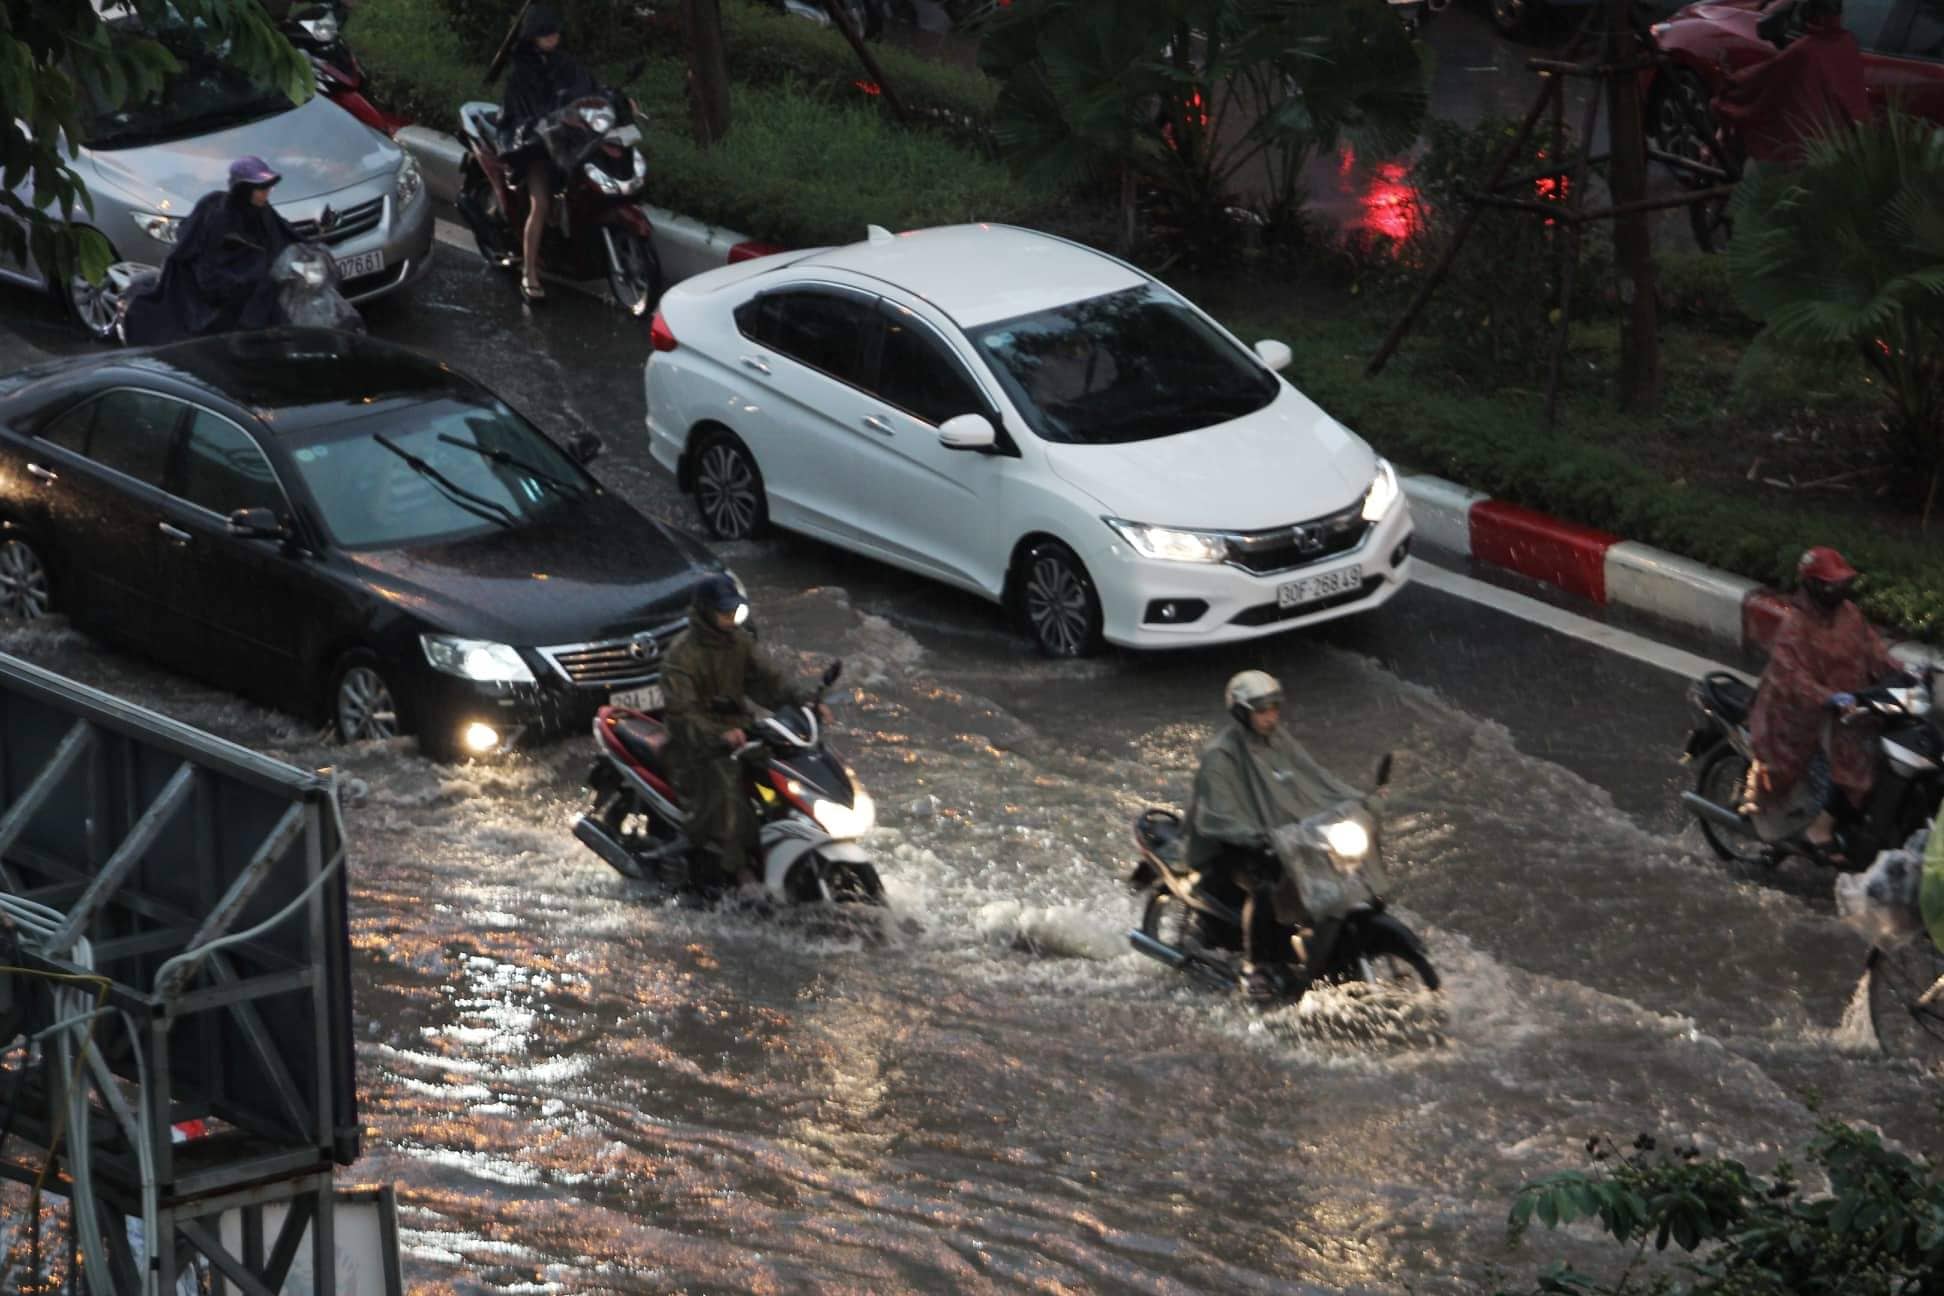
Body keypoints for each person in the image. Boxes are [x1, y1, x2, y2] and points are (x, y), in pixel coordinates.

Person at [1185, 670, 1362, 1002]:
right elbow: (1218, 815)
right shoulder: (1221, 755)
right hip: (1228, 845)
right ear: (1242, 712)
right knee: (1267, 882)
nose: (1271, 718)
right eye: (1262, 711)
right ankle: (1258, 966)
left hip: (1274, 835)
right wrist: (1255, 836)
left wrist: (1356, 801)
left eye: (1274, 709)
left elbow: (1314, 778)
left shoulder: (1278, 741)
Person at [660, 575, 830, 894]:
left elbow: (770, 682)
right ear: (706, 612)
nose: (730, 617)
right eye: (723, 612)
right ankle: (738, 869)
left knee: (782, 774)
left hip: (742, 733)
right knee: (728, 790)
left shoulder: (739, 643)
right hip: (695, 746)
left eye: (734, 611)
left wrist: (806, 702)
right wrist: (719, 735)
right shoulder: (680, 656)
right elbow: (682, 715)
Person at [1747, 547, 1903, 855]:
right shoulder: (1796, 625)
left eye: (1842, 584)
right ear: (1813, 586)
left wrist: (1907, 674)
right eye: (1832, 585)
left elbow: (1875, 653)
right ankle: (1820, 827)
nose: (1839, 590)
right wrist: (1828, 697)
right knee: (1855, 753)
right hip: (1799, 713)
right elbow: (1791, 677)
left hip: (1849, 705)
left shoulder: (1850, 615)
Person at [120, 157, 298, 346]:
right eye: (261, 188)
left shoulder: (261, 210)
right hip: (217, 291)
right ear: (244, 189)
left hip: (252, 282)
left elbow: (282, 231)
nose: (266, 193)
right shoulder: (218, 216)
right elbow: (207, 268)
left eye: (268, 188)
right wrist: (241, 281)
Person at [496, 4, 597, 303]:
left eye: (555, 33)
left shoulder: (564, 63)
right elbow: (520, 118)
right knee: (540, 204)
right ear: (533, 36)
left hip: (567, 144)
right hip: (535, 148)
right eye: (546, 34)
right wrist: (547, 124)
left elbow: (587, 88)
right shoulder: (520, 75)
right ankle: (529, 273)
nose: (553, 38)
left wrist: (613, 98)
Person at [1712, 0, 1868, 166]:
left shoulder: (1805, 51)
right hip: (1848, 150)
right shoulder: (1847, 43)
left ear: (1810, 14)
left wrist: (1731, 84)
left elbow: (1762, 78)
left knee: (1752, 168)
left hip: (1806, 155)